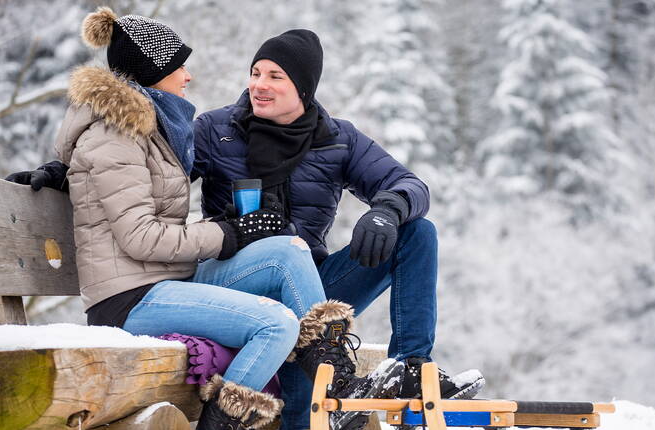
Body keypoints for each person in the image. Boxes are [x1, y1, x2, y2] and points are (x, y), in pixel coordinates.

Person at [12, 8, 404, 430]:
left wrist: (64, 174)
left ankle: (336, 380)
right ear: (153, 71)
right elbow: (140, 237)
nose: (188, 75)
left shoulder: (150, 131)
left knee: (289, 250)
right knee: (276, 323)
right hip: (130, 298)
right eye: (178, 65)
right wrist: (227, 233)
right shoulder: (115, 135)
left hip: (164, 282)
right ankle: (229, 421)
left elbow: (114, 186)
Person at [191, 29, 485, 430]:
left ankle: (411, 366)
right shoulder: (215, 129)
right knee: (305, 395)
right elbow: (153, 171)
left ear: (304, 88)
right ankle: (330, 386)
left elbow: (409, 185)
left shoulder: (336, 139)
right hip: (240, 287)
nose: (259, 85)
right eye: (255, 72)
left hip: (312, 290)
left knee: (418, 233)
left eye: (275, 76)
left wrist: (386, 211)